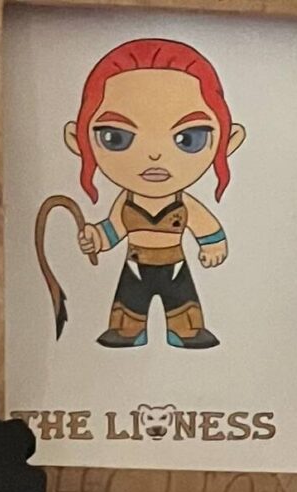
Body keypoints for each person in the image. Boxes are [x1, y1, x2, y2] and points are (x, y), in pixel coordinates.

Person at [64, 38, 245, 349]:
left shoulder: (183, 202)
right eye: (116, 137)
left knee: (183, 305)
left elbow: (204, 225)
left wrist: (213, 244)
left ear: (228, 142)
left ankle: (186, 332)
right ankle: (127, 332)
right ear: (77, 142)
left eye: (189, 138)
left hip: (175, 264)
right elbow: (113, 229)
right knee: (129, 305)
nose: (154, 156)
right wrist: (96, 237)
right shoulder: (126, 202)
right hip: (135, 264)